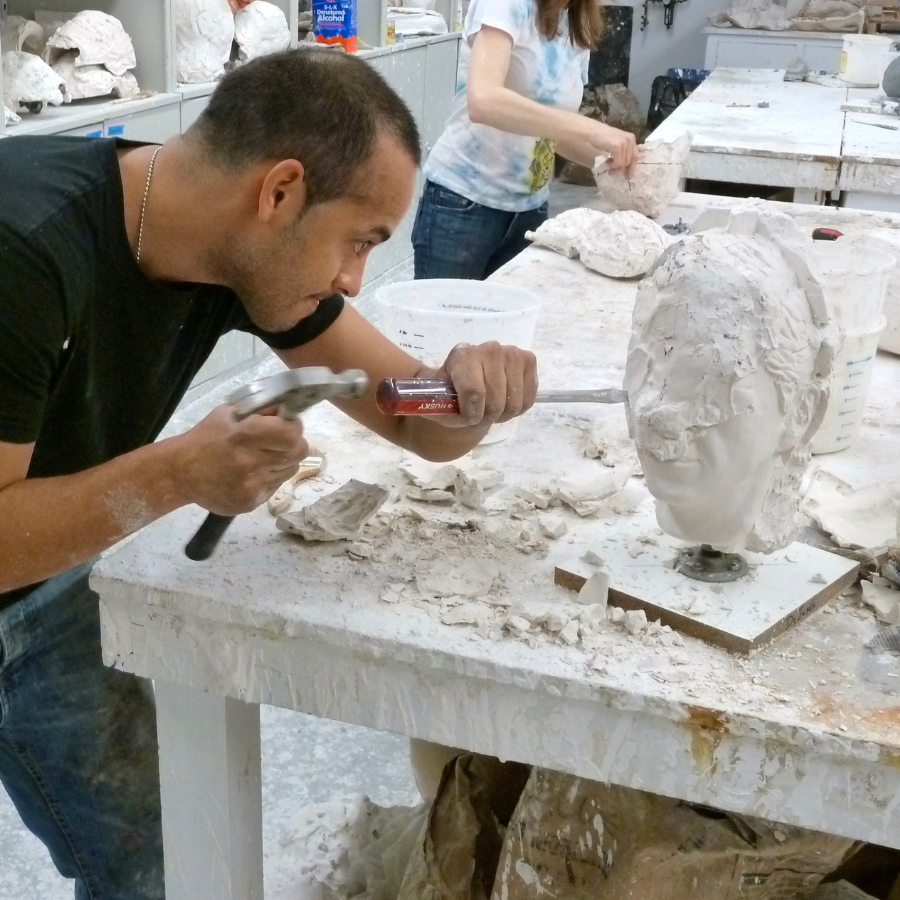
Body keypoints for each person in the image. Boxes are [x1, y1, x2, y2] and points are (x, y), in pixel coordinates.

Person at [0, 50, 537, 899]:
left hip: (46, 569)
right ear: (280, 192)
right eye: (358, 242)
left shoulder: (229, 244)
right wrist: (178, 472)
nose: (354, 279)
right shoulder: (22, 248)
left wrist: (466, 389)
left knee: (160, 859)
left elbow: (407, 410)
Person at [412, 0, 637, 281]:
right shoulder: (507, 4)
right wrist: (589, 128)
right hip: (463, 205)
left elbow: (554, 132)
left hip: (531, 213)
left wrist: (620, 164)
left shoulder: (577, 23)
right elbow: (483, 100)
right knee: (444, 322)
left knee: (508, 322)